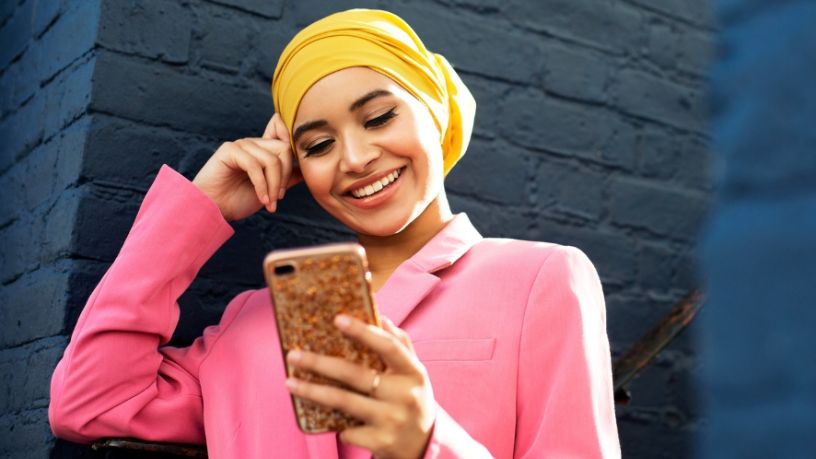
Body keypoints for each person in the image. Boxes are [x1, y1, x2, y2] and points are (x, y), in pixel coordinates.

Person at [48, 9, 620, 459]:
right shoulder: (252, 321)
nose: (355, 157)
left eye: (378, 118)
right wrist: (201, 210)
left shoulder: (541, 278)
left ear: (437, 108)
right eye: (317, 145)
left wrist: (427, 444)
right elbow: (88, 403)